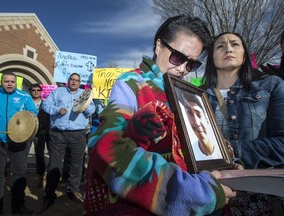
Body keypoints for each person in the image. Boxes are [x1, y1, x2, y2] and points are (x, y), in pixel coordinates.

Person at [84, 15, 237, 216]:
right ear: (158, 46)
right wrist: (189, 192)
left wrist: (228, 162)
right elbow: (105, 144)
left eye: (191, 64)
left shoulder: (188, 93)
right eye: (178, 57)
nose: (182, 69)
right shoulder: (133, 83)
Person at [202, 32, 284, 215]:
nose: (228, 48)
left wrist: (231, 151)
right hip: (209, 196)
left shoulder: (271, 86)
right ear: (212, 57)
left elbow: (282, 144)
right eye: (220, 46)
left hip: (258, 200)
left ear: (245, 55)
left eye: (234, 44)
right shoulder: (194, 96)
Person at [37, 73, 95, 214]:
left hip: (78, 134)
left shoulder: (85, 94)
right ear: (68, 81)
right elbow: (45, 104)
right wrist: (57, 110)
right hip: (58, 134)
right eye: (72, 79)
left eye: (77, 80)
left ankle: (73, 190)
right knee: (55, 164)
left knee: (76, 163)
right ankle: (49, 195)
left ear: (79, 82)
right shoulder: (58, 92)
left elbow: (93, 109)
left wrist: (84, 106)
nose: (74, 82)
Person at [0, 72, 38, 215]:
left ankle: (18, 207)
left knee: (19, 173)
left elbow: (33, 113)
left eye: (12, 81)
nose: (9, 84)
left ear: (16, 82)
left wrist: (25, 122)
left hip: (18, 140)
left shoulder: (24, 96)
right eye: (6, 81)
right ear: (1, 82)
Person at [180, 91, 222, 160]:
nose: (196, 122)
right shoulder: (189, 155)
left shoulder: (222, 147)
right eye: (190, 113)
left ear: (206, 118)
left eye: (199, 114)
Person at [28, 84, 50, 187]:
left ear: (41, 92)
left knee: (41, 155)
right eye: (33, 90)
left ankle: (42, 176)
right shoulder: (26, 103)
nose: (36, 92)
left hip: (41, 133)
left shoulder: (45, 104)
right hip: (28, 133)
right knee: (26, 155)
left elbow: (49, 119)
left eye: (38, 90)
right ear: (30, 92)